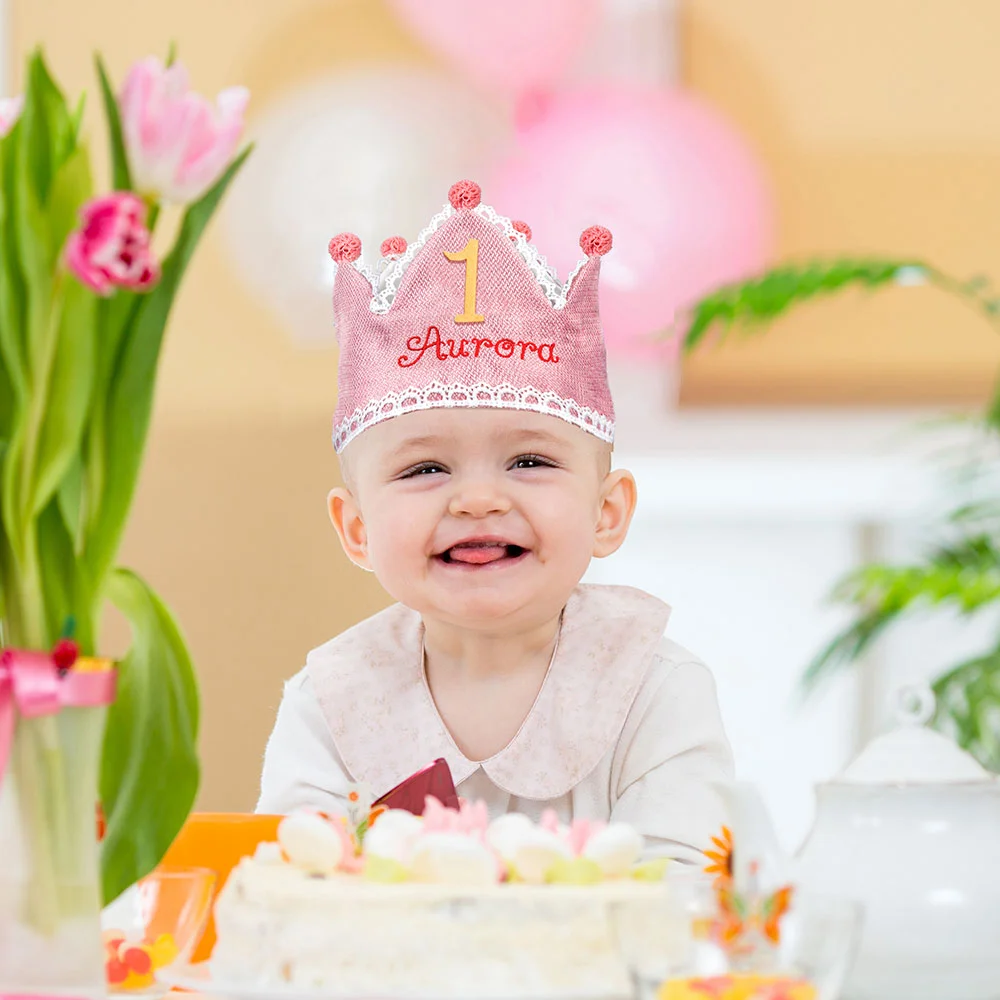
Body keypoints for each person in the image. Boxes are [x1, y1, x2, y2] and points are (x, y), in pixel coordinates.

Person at [257, 180, 733, 863]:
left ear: (607, 512)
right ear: (357, 529)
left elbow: (684, 892)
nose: (477, 500)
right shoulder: (330, 701)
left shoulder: (653, 689)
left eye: (530, 461)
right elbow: (292, 887)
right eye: (425, 470)